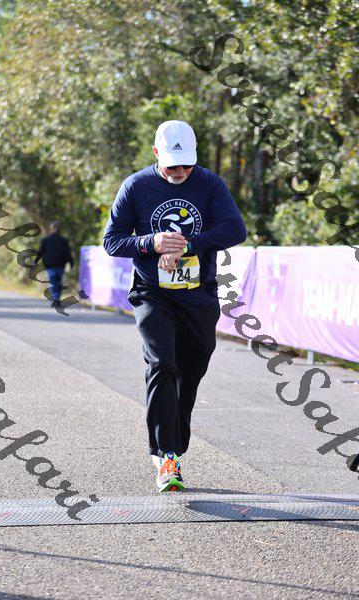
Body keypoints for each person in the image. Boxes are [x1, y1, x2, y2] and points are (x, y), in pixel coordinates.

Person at [103, 120, 246, 492]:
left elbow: (236, 229)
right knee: (162, 363)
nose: (180, 172)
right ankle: (166, 454)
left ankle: (174, 444)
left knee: (191, 370)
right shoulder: (136, 186)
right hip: (153, 293)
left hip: (199, 295)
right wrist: (151, 243)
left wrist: (188, 244)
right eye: (172, 166)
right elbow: (112, 241)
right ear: (156, 155)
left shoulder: (209, 184)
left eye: (186, 165)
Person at [36, 221, 74, 308]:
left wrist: (36, 261)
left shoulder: (47, 240)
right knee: (57, 282)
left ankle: (56, 300)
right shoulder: (62, 240)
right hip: (59, 266)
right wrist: (71, 264)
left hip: (51, 266)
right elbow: (68, 254)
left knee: (53, 282)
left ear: (51, 229)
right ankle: (56, 300)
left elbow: (40, 252)